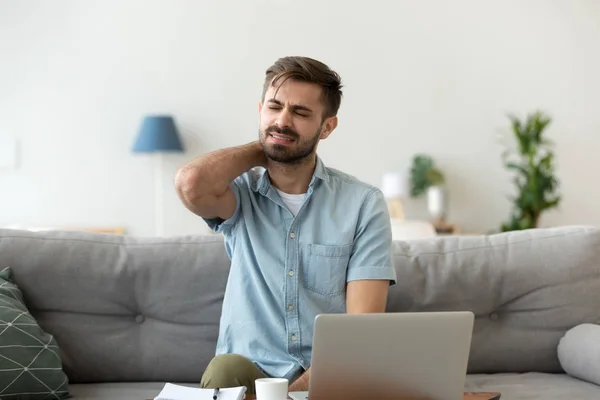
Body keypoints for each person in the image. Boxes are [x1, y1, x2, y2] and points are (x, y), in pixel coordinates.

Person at [174, 56, 396, 396]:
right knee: (224, 369)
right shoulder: (239, 193)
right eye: (274, 108)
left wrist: (302, 387)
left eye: (300, 113)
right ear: (260, 108)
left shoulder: (362, 203)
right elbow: (191, 183)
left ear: (327, 127)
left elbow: (362, 325)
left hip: (328, 371)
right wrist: (268, 145)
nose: (283, 120)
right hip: (248, 371)